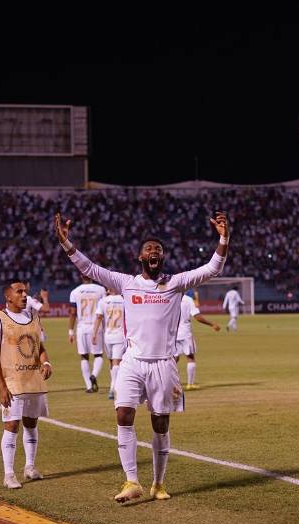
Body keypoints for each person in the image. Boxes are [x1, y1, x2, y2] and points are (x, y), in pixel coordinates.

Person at [55, 210, 229, 503]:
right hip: (132, 361)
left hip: (164, 364)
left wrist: (224, 236)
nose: (154, 252)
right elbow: (91, 267)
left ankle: (158, 483)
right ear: (139, 257)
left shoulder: (176, 282)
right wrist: (65, 242)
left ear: (162, 258)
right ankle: (131, 481)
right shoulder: (125, 283)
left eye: (158, 250)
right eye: (149, 249)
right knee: (123, 414)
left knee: (160, 424)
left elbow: (212, 269)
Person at [0, 279, 53, 489]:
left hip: (34, 380)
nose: (24, 295)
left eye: (25, 291)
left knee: (32, 424)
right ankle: (9, 474)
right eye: (19, 291)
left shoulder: (33, 316)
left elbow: (39, 346)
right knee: (12, 425)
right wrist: (1, 387)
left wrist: (46, 362)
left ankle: (30, 467)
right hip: (12, 381)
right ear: (8, 296)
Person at [68, 275, 107, 393]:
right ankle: (94, 375)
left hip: (82, 327)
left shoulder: (75, 291)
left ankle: (89, 386)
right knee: (98, 355)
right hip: (96, 326)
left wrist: (70, 330)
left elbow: (73, 313)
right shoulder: (101, 290)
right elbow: (105, 308)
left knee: (84, 356)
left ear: (80, 276)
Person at [175, 291, 220, 390]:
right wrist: (212, 324)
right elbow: (197, 316)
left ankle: (169, 384)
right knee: (190, 357)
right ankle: (190, 384)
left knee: (173, 360)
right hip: (185, 333)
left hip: (172, 334)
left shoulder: (169, 297)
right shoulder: (188, 299)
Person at [92, 286, 126, 400]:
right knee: (117, 362)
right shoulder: (124, 299)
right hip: (120, 335)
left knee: (112, 362)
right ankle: (114, 388)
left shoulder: (103, 301)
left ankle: (113, 387)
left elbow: (98, 318)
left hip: (108, 336)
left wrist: (94, 333)